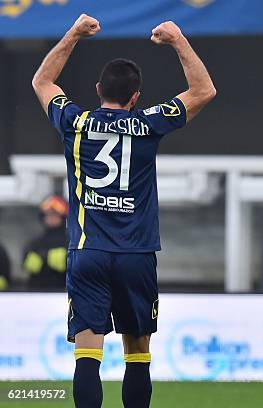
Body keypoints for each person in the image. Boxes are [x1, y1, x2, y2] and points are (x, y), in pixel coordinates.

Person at [32, 15, 216, 407]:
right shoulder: (149, 123)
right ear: (136, 98)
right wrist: (178, 40)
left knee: (87, 356)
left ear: (98, 90)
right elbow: (204, 90)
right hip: (136, 255)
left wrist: (74, 34)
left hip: (89, 252)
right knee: (137, 356)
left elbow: (42, 82)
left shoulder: (76, 122)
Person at [23, 195, 69, 290]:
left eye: (55, 215)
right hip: (36, 294)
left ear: (63, 218)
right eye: (48, 215)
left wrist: (44, 258)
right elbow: (27, 264)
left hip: (61, 293)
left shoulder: (70, 242)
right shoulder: (35, 242)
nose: (51, 218)